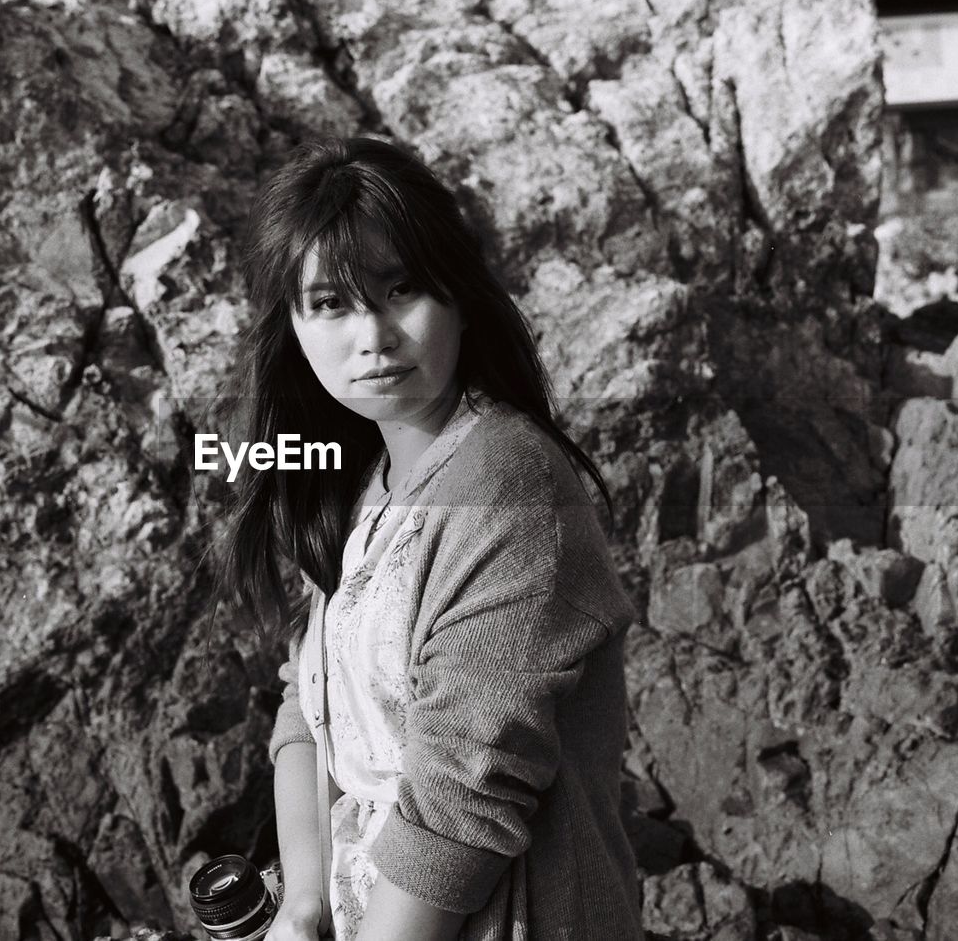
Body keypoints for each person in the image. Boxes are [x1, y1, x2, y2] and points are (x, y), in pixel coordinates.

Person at [211, 135, 643, 940]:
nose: (372, 334)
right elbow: (309, 710)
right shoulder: (354, 479)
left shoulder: (506, 482)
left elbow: (465, 796)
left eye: (401, 289)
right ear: (295, 328)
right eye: (332, 303)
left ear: (460, 297)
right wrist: (303, 906)